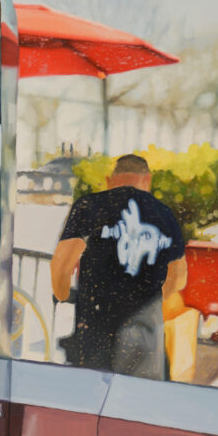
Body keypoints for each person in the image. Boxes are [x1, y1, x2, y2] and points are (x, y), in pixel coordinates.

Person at [50, 154, 187, 379]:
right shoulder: (164, 214)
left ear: (109, 180)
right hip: (145, 329)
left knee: (94, 391)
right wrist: (151, 301)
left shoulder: (88, 206)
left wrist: (63, 295)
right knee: (141, 396)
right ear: (147, 180)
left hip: (96, 326)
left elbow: (61, 266)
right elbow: (179, 277)